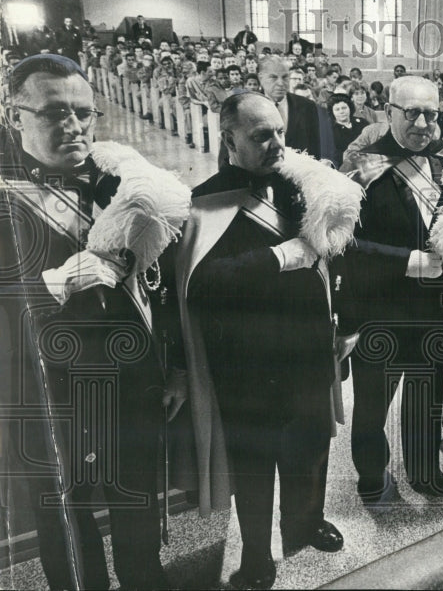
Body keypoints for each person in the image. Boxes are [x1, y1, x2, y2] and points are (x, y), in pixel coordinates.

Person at [0, 54, 188, 590]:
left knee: (136, 501)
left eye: (84, 112)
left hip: (134, 380)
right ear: (15, 116)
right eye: (55, 112)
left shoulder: (120, 182)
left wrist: (172, 368)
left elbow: (162, 285)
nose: (75, 126)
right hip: (46, 390)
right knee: (65, 516)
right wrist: (54, 285)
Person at [176, 92, 355, 590]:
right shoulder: (204, 201)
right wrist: (280, 258)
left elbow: (333, 258)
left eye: (279, 131)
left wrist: (342, 325)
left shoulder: (301, 185)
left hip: (307, 352)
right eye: (261, 136)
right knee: (253, 467)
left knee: (311, 448)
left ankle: (304, 523)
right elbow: (201, 284)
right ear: (229, 138)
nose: (276, 143)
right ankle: (256, 555)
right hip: (246, 368)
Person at [334, 75, 443, 501]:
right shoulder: (362, 169)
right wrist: (406, 262)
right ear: (388, 113)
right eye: (412, 113)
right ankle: (372, 472)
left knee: (428, 399)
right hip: (381, 313)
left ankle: (425, 468)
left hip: (435, 314)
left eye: (431, 113)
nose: (423, 123)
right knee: (372, 407)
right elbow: (343, 246)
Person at [329, 97, 369, 166]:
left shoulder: (362, 122)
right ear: (332, 112)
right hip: (343, 166)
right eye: (337, 109)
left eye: (344, 108)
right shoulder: (329, 130)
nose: (341, 111)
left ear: (349, 108)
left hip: (367, 162)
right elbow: (333, 154)